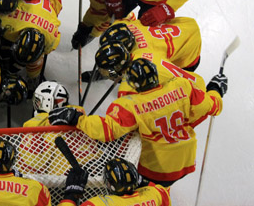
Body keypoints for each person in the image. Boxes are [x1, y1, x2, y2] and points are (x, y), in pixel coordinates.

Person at [51, 58, 227, 186]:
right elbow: (209, 107)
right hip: (186, 159)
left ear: (134, 84)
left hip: (156, 168)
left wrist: (77, 119)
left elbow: (106, 131)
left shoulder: (131, 105)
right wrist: (215, 89)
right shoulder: (182, 86)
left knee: (148, 190)